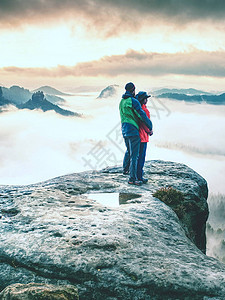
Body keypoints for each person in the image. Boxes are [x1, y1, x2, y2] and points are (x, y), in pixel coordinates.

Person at [119, 82, 153, 185]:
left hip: (124, 129)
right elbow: (141, 115)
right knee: (135, 155)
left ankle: (126, 170)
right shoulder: (133, 101)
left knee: (130, 152)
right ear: (133, 90)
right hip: (133, 130)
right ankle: (132, 179)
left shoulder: (122, 102)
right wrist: (150, 126)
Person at [136, 91, 153, 183]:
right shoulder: (144, 110)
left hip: (136, 135)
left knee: (136, 157)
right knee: (141, 157)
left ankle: (136, 175)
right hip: (143, 136)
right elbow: (145, 124)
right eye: (146, 98)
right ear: (144, 100)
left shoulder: (136, 109)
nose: (147, 100)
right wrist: (150, 131)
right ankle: (139, 176)